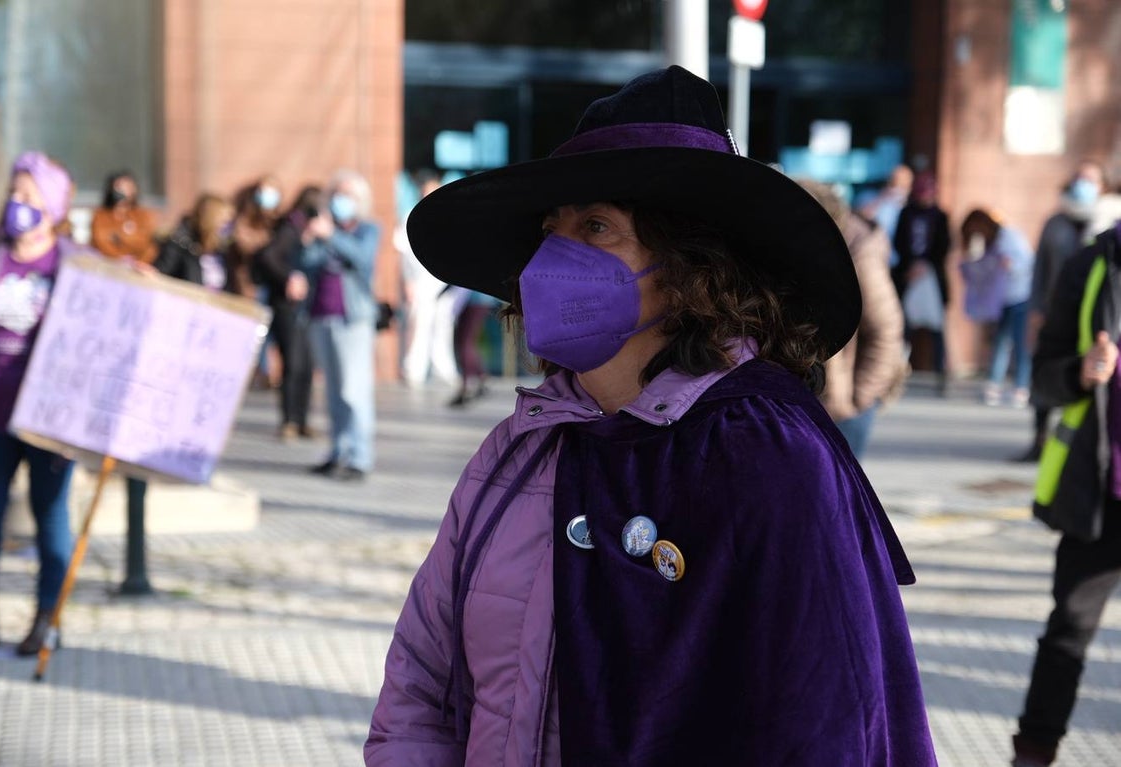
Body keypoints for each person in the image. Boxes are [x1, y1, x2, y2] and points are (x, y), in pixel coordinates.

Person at [365, 66, 936, 765]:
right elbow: (422, 682)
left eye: (596, 226)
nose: (555, 255)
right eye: (552, 229)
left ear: (687, 266)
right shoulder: (519, 450)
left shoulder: (767, 454)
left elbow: (822, 726)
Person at [0, 152, 94, 656]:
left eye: (28, 196)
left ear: (53, 207)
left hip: (50, 420)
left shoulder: (74, 265)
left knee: (50, 515)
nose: (17, 204)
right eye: (14, 194)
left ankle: (48, 617)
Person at [1012, 222, 1121, 767]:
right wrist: (1080, 372)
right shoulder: (1093, 265)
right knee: (1067, 634)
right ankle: (1033, 753)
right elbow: (1042, 377)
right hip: (1101, 493)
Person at [801, 180, 906, 457]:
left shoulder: (858, 252)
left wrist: (857, 400)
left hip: (843, 409)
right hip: (813, 400)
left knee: (837, 495)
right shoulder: (817, 247)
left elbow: (885, 329)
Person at [1016, 161, 1107, 461]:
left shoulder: (1106, 222)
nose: (1084, 184)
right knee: (1047, 372)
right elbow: (1040, 267)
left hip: (1096, 317)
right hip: (1055, 311)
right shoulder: (1055, 222)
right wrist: (1036, 308)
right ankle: (1039, 438)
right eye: (1080, 178)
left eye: (1091, 180)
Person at [297, 170, 381, 481]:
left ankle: (360, 456)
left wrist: (330, 235)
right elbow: (308, 263)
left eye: (348, 195)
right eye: (337, 194)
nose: (341, 200)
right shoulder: (324, 229)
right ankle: (337, 450)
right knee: (333, 391)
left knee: (353, 390)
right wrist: (309, 241)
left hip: (354, 319)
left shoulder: (368, 230)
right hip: (321, 316)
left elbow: (363, 260)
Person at [252, 185, 318, 441]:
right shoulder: (290, 228)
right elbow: (270, 257)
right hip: (285, 306)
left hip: (303, 308)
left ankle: (301, 419)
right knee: (293, 362)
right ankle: (290, 419)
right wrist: (289, 277)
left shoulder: (304, 230)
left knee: (306, 363)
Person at [959, 208, 1035, 407]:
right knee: (1000, 342)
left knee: (1020, 343)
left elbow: (1027, 263)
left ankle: (1021, 386)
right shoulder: (988, 242)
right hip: (1000, 301)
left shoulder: (1010, 236)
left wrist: (1010, 265)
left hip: (1020, 296)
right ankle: (994, 383)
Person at [398, 170, 458, 387]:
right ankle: (414, 370)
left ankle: (443, 369)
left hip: (443, 282)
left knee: (442, 325)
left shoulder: (447, 218)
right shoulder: (410, 217)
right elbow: (404, 255)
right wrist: (408, 282)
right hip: (420, 281)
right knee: (419, 325)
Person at [893, 170, 951, 392]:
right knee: (903, 328)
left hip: (932, 278)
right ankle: (896, 373)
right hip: (908, 276)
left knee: (937, 330)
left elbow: (944, 246)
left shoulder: (941, 216)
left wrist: (925, 264)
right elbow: (899, 241)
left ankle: (940, 375)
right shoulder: (905, 214)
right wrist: (910, 266)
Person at [153, 193, 235, 291]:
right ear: (210, 221)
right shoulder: (180, 244)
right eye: (223, 222)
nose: (226, 228)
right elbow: (160, 274)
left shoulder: (223, 251)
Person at [228, 175, 283, 301]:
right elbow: (243, 245)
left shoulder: (280, 223)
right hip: (247, 286)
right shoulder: (244, 219)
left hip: (273, 288)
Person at [447, 289, 503, 407]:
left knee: (465, 342)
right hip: (479, 299)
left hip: (473, 299)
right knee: (467, 341)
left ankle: (467, 385)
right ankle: (481, 377)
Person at [89, 170, 158, 264]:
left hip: (138, 268)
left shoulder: (142, 216)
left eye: (129, 187)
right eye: (120, 187)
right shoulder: (101, 216)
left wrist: (120, 238)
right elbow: (102, 243)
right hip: (108, 267)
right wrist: (120, 259)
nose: (125, 192)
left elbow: (147, 245)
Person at [858, 163, 913, 269]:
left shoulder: (910, 208)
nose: (898, 189)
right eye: (894, 182)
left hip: (897, 262)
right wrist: (882, 198)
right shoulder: (869, 198)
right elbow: (860, 219)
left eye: (903, 185)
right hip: (873, 258)